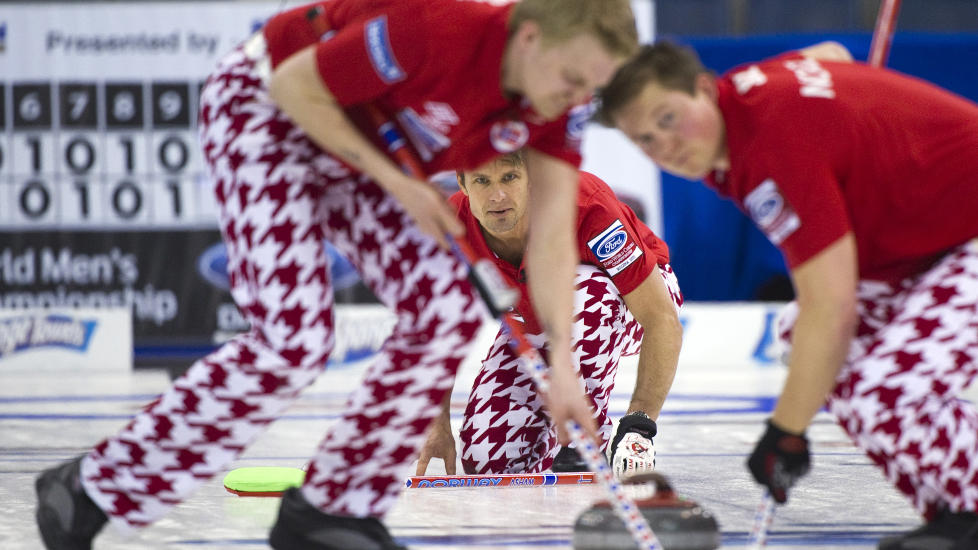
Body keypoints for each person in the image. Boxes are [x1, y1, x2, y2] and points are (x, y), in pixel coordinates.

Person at [33, 2, 638, 549]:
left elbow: (554, 234)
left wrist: (562, 366)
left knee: (446, 307)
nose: (577, 97)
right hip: (266, 112)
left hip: (358, 142)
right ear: (529, 38)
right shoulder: (435, 30)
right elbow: (293, 86)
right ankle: (88, 487)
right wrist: (398, 182)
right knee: (294, 340)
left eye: (593, 86)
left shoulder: (560, 104)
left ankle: (332, 508)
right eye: (573, 78)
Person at [596, 39, 978, 549]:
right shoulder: (748, 91)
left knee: (885, 390)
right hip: (937, 238)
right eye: (644, 139)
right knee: (806, 344)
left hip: (959, 237)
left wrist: (786, 431)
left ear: (704, 89)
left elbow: (832, 305)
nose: (663, 146)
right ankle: (957, 517)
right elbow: (835, 54)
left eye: (667, 118)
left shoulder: (772, 150)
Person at [414, 151, 683, 479]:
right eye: (482, 181)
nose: (497, 196)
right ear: (462, 184)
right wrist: (437, 425)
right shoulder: (450, 229)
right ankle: (552, 454)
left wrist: (639, 426)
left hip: (631, 301)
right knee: (487, 460)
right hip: (534, 321)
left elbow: (661, 318)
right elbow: (437, 334)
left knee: (586, 289)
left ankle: (587, 438)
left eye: (509, 178)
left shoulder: (584, 205)